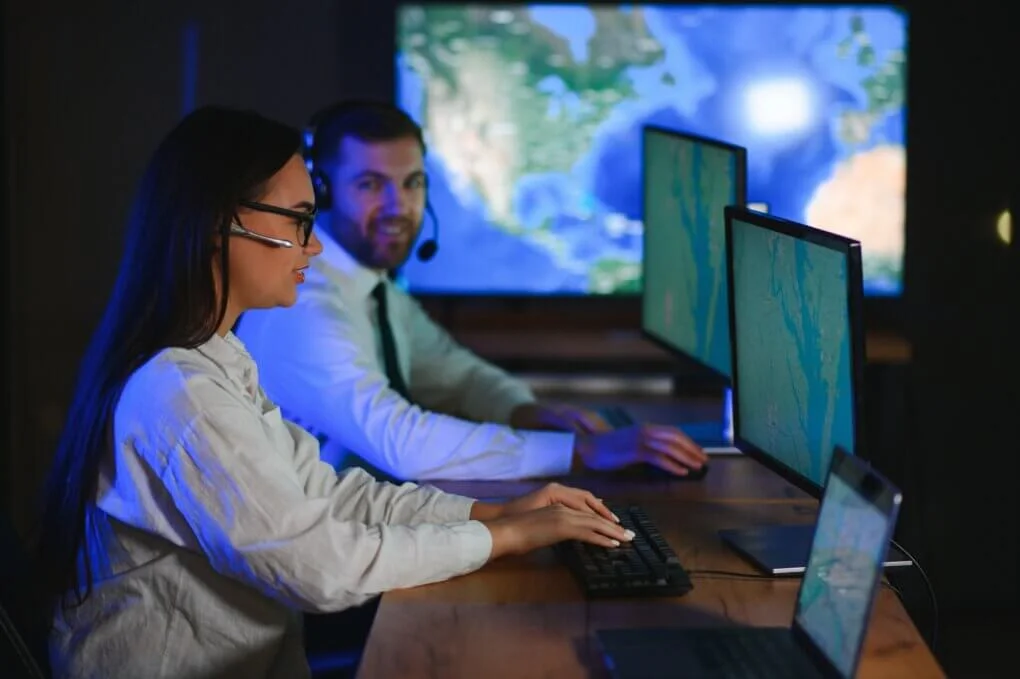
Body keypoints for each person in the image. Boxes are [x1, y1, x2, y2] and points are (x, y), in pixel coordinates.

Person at [32, 106, 631, 679]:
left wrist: (497, 513)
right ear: (222, 223)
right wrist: (506, 537)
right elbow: (314, 566)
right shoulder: (179, 393)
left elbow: (327, 493)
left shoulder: (218, 358)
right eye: (298, 221)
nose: (313, 247)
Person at [236, 100, 708, 482]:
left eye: (412, 183)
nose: (399, 207)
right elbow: (401, 441)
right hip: (318, 570)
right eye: (370, 184)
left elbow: (453, 372)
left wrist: (533, 413)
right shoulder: (303, 304)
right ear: (325, 191)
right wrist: (579, 451)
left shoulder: (370, 287)